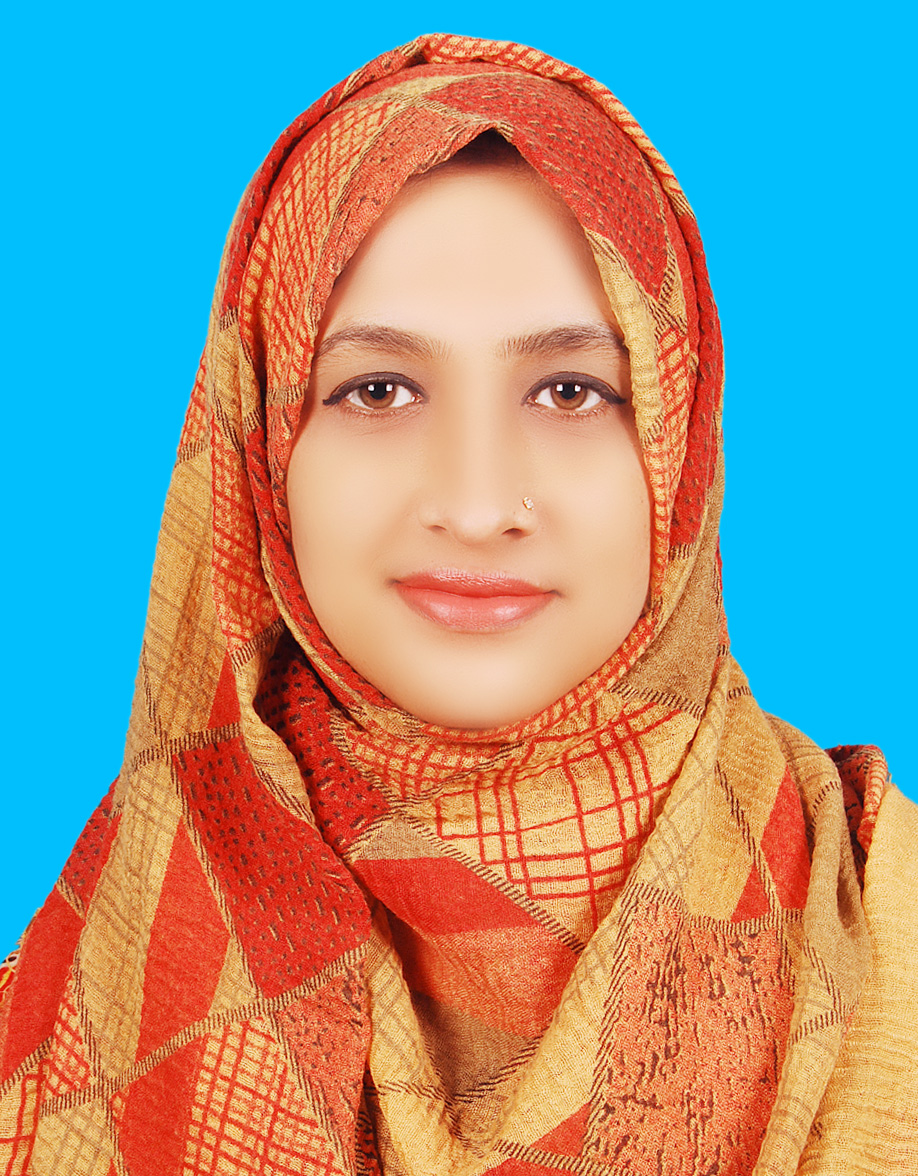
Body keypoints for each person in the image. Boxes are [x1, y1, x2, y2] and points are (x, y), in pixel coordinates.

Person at [0, 33, 915, 1175]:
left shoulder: (890, 931)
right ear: (263, 449)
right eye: (379, 389)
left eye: (571, 391)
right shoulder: (76, 1024)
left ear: (677, 450)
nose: (478, 506)